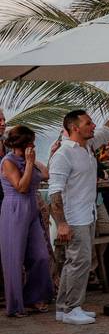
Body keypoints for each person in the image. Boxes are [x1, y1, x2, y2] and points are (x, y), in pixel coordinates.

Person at [48, 111, 102, 325]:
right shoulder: (64, 154)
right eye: (88, 123)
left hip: (88, 213)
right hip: (74, 217)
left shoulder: (87, 148)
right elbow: (55, 192)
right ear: (75, 128)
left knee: (75, 262)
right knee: (79, 262)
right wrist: (61, 223)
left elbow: (106, 129)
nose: (93, 125)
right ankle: (72, 308)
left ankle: (63, 308)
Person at [0, 126, 53, 317]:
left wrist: (34, 160)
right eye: (31, 141)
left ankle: (34, 296)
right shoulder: (8, 162)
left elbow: (46, 175)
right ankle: (15, 305)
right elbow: (21, 187)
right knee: (14, 258)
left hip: (32, 208)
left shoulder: (28, 159)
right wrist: (29, 164)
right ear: (23, 143)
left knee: (41, 255)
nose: (34, 144)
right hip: (15, 208)